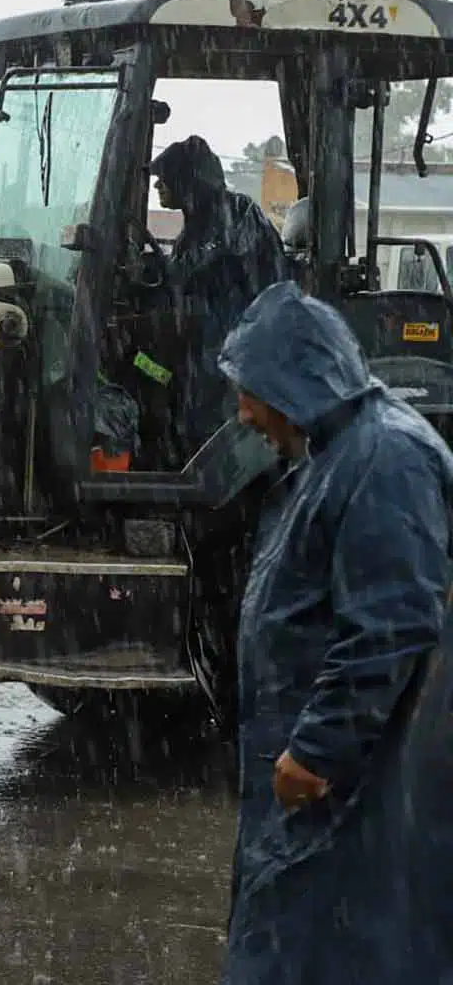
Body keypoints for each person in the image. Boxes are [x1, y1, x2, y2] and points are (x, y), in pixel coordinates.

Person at [215, 279, 453, 984]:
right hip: (323, 780)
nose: (244, 411)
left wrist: (318, 750)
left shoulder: (384, 459)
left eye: (250, 388)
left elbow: (392, 621)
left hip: (351, 784)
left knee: (343, 945)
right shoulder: (337, 450)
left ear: (296, 379)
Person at [147, 135, 294, 457]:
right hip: (207, 350)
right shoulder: (196, 225)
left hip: (230, 352)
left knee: (210, 429)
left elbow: (208, 271)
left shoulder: (237, 215)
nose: (157, 185)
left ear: (189, 182)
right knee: (145, 371)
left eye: (165, 178)